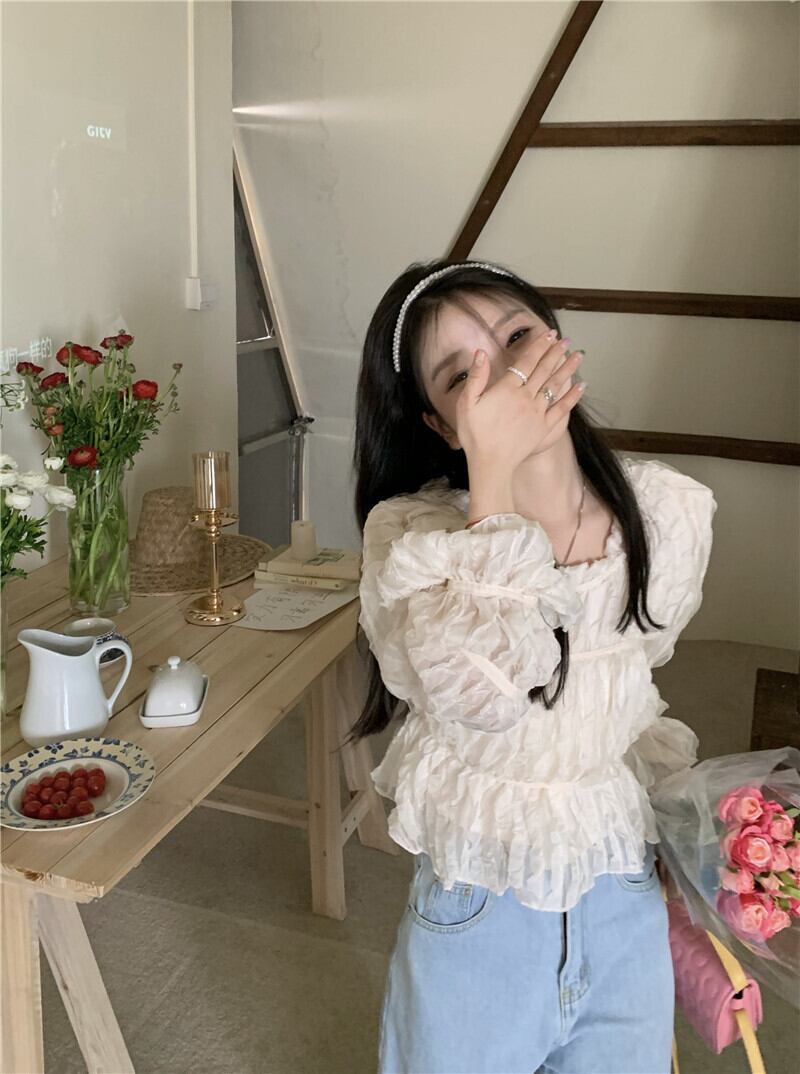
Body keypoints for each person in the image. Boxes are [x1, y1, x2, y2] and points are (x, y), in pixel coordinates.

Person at [348, 258, 717, 1074]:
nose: (510, 379)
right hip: (480, 907)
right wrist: (493, 481)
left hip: (621, 891)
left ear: (556, 340)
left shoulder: (664, 514)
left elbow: (631, 687)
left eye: (517, 337)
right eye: (463, 376)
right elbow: (484, 696)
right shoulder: (416, 541)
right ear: (442, 424)